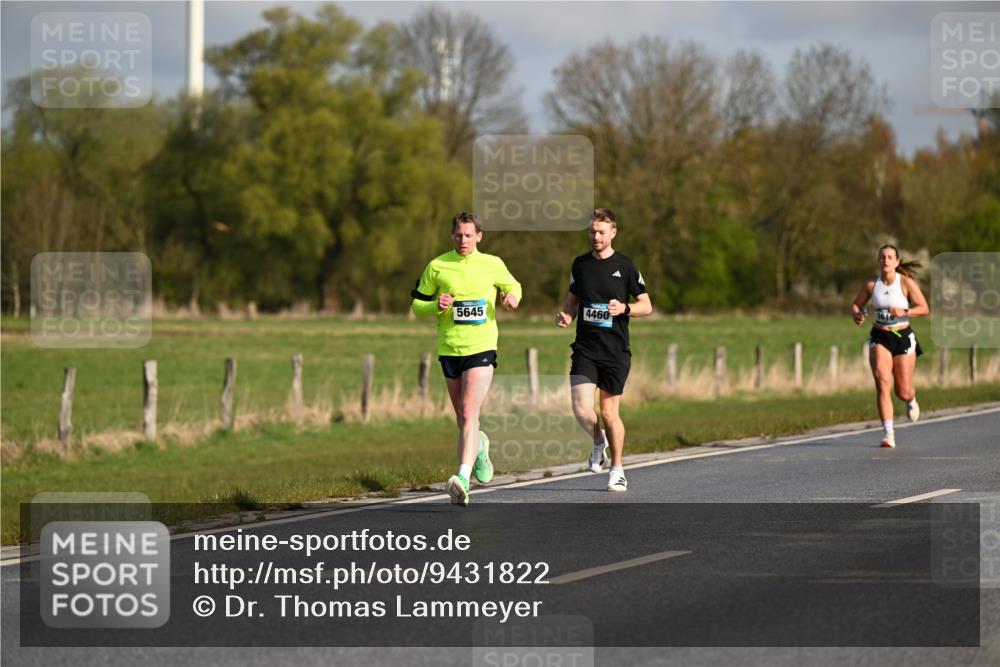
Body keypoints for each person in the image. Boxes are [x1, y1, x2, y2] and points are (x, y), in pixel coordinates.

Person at [411, 212, 522, 505]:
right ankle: (480, 446)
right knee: (463, 418)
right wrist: (436, 305)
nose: (463, 240)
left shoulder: (492, 263)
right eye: (459, 235)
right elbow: (417, 305)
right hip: (450, 348)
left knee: (469, 410)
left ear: (479, 237)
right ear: (452, 236)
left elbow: (514, 286)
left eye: (469, 235)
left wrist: (512, 298)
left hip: (482, 346)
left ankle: (462, 479)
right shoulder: (437, 266)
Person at [554, 208, 652, 491]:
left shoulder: (626, 266)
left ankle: (617, 469)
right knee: (581, 408)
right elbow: (572, 301)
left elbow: (647, 305)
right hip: (585, 348)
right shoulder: (580, 264)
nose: (596, 236)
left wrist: (625, 308)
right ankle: (599, 441)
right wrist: (566, 315)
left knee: (609, 413)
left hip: (615, 351)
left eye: (601, 232)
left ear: (613, 233)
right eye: (592, 231)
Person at [850, 244, 929, 448]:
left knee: (902, 391)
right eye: (883, 257)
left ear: (897, 262)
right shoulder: (871, 285)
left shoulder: (905, 283)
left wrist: (905, 312)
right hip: (880, 336)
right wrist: (857, 315)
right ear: (878, 261)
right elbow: (856, 305)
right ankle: (888, 433)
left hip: (902, 336)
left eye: (890, 257)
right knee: (882, 380)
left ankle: (910, 398)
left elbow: (924, 308)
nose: (886, 260)